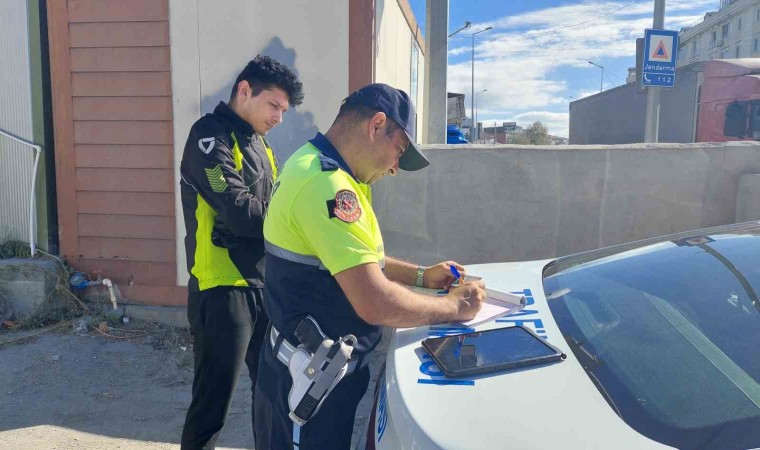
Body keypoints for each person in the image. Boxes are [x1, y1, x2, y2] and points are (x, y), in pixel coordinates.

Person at [254, 83, 486, 449]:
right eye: (399, 151)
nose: (395, 168)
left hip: (308, 371)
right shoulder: (327, 184)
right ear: (377, 125)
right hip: (308, 384)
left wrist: (423, 275)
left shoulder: (318, 165)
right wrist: (455, 307)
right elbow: (373, 301)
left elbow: (358, 260)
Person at [179, 55, 303, 449]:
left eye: (284, 110)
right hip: (221, 290)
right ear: (244, 90)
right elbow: (241, 213)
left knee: (272, 396)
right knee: (212, 404)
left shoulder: (261, 147)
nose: (279, 118)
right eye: (274, 105)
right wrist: (256, 223)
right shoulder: (209, 137)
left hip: (264, 287)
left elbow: (272, 212)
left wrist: (258, 222)